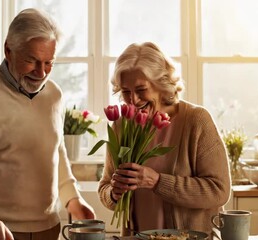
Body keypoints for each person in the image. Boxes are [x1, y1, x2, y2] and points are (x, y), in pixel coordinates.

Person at [0, 8, 95, 240]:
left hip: (47, 229)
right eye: (31, 61)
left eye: (49, 63)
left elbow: (55, 150)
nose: (41, 72)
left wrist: (72, 197)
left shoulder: (54, 95)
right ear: (8, 50)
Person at [98, 42, 231, 236]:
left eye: (141, 89)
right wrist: (113, 194)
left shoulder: (196, 120)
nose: (133, 100)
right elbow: (105, 186)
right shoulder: (121, 125)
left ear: (161, 84)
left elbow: (219, 191)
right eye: (126, 91)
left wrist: (157, 181)